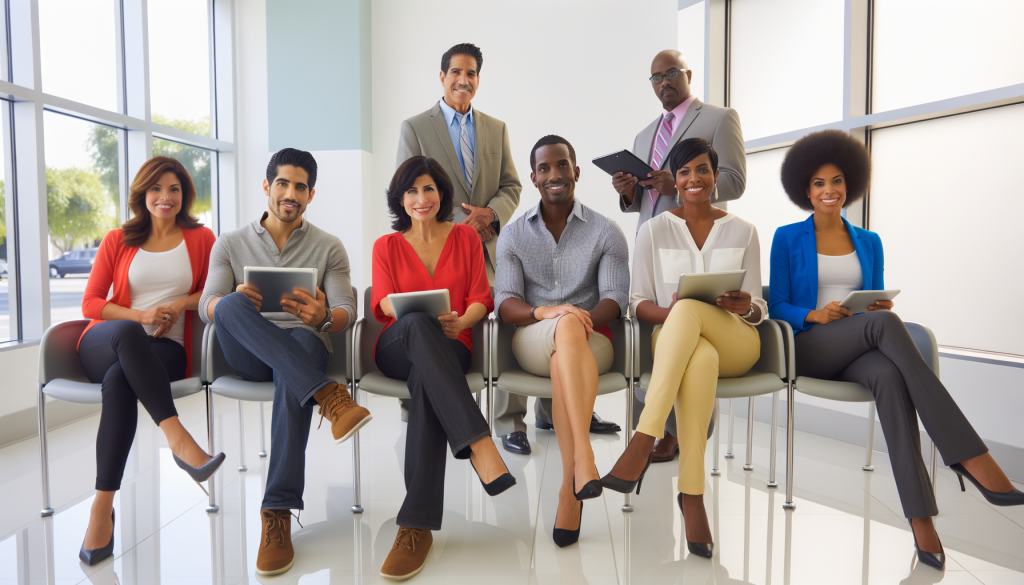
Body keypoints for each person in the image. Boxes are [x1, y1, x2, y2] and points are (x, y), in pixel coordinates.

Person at [769, 130, 1024, 570]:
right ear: (804, 191)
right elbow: (776, 304)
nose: (829, 190)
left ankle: (923, 525)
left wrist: (876, 305)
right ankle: (969, 455)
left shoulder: (869, 241)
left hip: (858, 346)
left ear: (850, 184)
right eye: (818, 183)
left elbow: (872, 302)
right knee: (887, 324)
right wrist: (814, 315)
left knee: (889, 375)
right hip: (809, 347)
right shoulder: (786, 237)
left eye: (836, 181)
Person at [199, 148, 367, 576]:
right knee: (229, 307)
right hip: (247, 355)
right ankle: (330, 396)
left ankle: (276, 512)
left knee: (305, 343)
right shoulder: (230, 243)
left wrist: (324, 317)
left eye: (300, 187)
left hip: (304, 348)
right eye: (282, 184)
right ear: (266, 187)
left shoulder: (329, 246)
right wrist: (231, 299)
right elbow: (206, 304)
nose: (290, 194)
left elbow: (347, 308)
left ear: (311, 194)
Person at [603, 138, 766, 558]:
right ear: (672, 181)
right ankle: (692, 496)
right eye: (684, 172)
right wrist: (672, 311)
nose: (694, 179)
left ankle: (644, 438)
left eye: (702, 170)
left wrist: (746, 306)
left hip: (736, 341)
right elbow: (637, 303)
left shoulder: (744, 231)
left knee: (696, 317)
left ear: (715, 177)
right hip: (676, 341)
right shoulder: (653, 231)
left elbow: (759, 307)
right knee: (699, 355)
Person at [373, 156, 515, 580]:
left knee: (426, 382)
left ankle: (415, 526)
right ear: (401, 199)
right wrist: (417, 315)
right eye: (412, 191)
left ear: (442, 194)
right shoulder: (387, 245)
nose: (421, 198)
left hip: (454, 345)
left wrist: (462, 321)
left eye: (429, 189)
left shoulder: (466, 239)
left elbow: (481, 297)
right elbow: (382, 303)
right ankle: (480, 443)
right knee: (416, 323)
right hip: (397, 346)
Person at [76, 157, 222, 565]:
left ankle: (101, 509)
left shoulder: (201, 238)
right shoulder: (117, 239)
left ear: (184, 196)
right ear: (142, 193)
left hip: (165, 351)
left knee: (120, 381)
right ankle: (179, 439)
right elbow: (90, 302)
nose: (165, 197)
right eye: (156, 189)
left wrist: (178, 304)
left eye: (174, 189)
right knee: (126, 336)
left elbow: (214, 293)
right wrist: (138, 315)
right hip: (106, 341)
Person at [613, 49, 748, 463]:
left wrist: (682, 183)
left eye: (671, 73)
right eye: (655, 78)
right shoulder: (644, 134)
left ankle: (675, 434)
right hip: (653, 242)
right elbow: (645, 201)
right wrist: (629, 193)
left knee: (692, 327)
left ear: (687, 74)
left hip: (697, 239)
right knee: (651, 329)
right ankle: (650, 429)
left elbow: (735, 180)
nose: (664, 82)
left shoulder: (719, 118)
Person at [494, 135, 630, 547]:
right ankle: (583, 460)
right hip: (532, 340)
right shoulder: (514, 235)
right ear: (534, 178)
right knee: (564, 325)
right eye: (545, 168)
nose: (555, 174)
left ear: (576, 171)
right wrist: (548, 313)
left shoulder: (607, 231)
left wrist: (575, 317)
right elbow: (505, 303)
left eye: (562, 165)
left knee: (569, 334)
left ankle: (569, 487)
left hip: (592, 342)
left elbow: (615, 299)